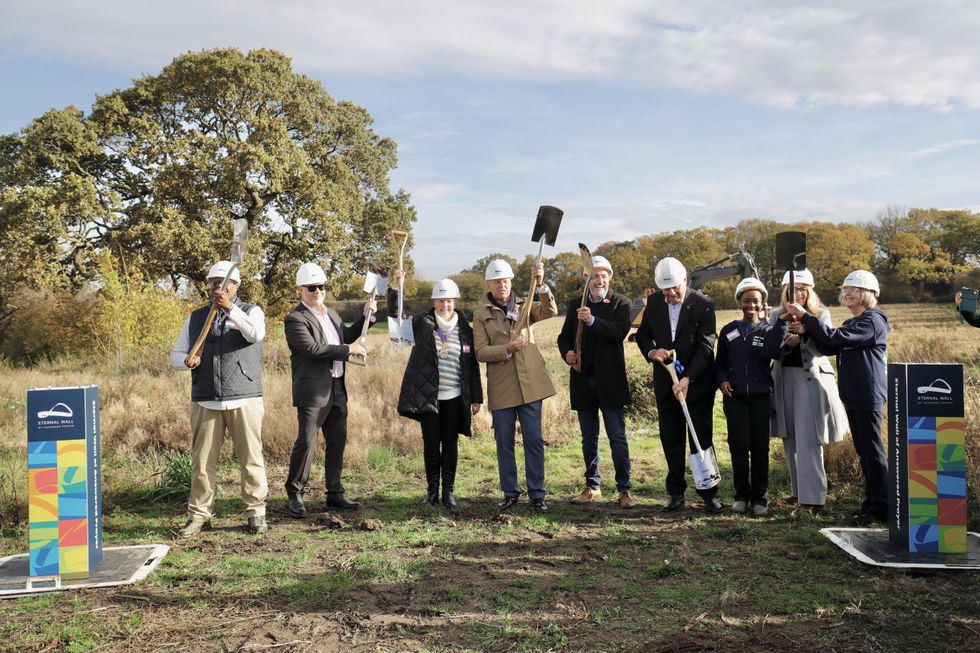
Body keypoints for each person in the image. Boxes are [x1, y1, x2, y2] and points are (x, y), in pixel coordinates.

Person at [169, 260, 269, 537]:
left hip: (244, 397)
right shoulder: (195, 317)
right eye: (214, 282)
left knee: (251, 459)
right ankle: (199, 517)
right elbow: (175, 356)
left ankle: (256, 512)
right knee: (201, 463)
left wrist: (230, 308)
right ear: (208, 285)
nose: (219, 286)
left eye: (226, 282)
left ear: (236, 285)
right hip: (205, 398)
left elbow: (256, 334)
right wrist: (187, 362)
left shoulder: (251, 311)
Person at [785, 270, 890, 526]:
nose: (847, 294)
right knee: (864, 450)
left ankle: (882, 506)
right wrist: (806, 332)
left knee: (872, 450)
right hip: (854, 394)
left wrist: (807, 317)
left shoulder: (873, 321)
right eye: (845, 290)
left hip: (868, 393)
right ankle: (872, 503)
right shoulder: (855, 322)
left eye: (853, 290)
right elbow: (830, 346)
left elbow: (835, 338)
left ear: (868, 294)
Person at [283, 262, 374, 517]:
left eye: (321, 286)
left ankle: (334, 492)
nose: (318, 291)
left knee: (337, 441)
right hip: (312, 392)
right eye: (312, 287)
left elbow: (344, 336)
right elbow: (312, 349)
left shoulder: (331, 314)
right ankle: (295, 493)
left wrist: (365, 316)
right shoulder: (294, 319)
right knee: (307, 441)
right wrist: (349, 351)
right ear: (301, 289)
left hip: (337, 387)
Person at [635, 257, 722, 514]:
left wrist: (687, 379)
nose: (671, 294)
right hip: (665, 383)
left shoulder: (703, 305)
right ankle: (675, 493)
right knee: (671, 439)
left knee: (700, 438)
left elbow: (706, 348)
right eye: (665, 290)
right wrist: (652, 353)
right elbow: (642, 335)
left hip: (696, 384)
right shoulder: (653, 303)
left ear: (685, 280)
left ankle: (708, 493)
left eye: (675, 288)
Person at [473, 258, 557, 512]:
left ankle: (537, 494)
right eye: (497, 281)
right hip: (502, 386)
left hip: (531, 383)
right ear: (488, 284)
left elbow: (550, 311)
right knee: (504, 442)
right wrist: (507, 349)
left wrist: (541, 285)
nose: (502, 285)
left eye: (506, 280)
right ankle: (510, 493)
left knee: (533, 439)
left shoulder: (526, 305)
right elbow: (480, 352)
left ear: (512, 282)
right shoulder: (480, 315)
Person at [392, 274, 483, 507]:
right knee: (431, 444)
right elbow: (396, 322)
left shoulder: (464, 327)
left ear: (455, 302)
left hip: (455, 396)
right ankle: (432, 491)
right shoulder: (423, 323)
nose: (445, 305)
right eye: (441, 301)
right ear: (434, 303)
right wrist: (397, 288)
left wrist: (476, 397)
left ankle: (448, 492)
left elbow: (471, 366)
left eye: (449, 301)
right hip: (429, 397)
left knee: (450, 444)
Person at [556, 255, 635, 508]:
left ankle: (624, 489)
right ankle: (592, 486)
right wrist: (567, 353)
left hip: (610, 382)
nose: (599, 280)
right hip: (583, 382)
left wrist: (591, 321)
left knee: (617, 437)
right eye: (594, 276)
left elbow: (618, 333)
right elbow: (563, 337)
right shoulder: (574, 305)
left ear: (610, 277)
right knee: (589, 438)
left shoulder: (621, 303)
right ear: (587, 279)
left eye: (604, 275)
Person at [770, 269, 849, 512]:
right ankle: (798, 493)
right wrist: (784, 342)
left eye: (803, 289)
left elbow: (824, 348)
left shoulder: (820, 314)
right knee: (790, 437)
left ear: (810, 291)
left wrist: (806, 333)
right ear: (786, 292)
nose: (799, 293)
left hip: (810, 381)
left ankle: (813, 498)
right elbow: (771, 347)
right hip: (784, 380)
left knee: (808, 439)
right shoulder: (776, 314)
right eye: (794, 289)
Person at [715, 278, 786, 516]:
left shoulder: (768, 331)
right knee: (738, 446)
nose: (751, 305)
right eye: (746, 301)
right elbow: (720, 363)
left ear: (763, 302)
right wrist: (722, 380)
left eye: (756, 301)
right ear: (739, 302)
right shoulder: (728, 331)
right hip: (734, 397)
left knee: (759, 447)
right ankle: (740, 496)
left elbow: (776, 352)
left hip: (760, 397)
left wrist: (783, 326)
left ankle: (759, 498)